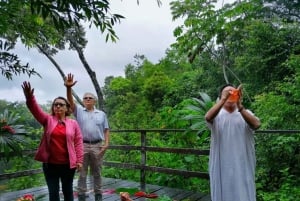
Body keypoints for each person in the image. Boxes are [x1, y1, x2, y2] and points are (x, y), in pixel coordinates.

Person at [21, 81, 83, 201]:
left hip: (68, 165)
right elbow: (35, 110)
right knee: (53, 194)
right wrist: (30, 97)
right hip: (50, 165)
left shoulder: (73, 123)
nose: (58, 106)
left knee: (68, 192)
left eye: (61, 104)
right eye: (55, 105)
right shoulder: (47, 120)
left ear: (67, 108)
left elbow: (78, 142)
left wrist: (79, 160)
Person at [205, 84, 261, 201]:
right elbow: (208, 117)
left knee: (244, 191)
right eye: (227, 93)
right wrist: (224, 99)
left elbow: (256, 125)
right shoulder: (217, 115)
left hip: (242, 164)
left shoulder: (246, 114)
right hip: (221, 164)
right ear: (220, 97)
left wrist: (240, 106)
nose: (230, 94)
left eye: (233, 92)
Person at [64, 74, 110, 201]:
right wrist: (69, 88)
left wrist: (106, 144)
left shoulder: (101, 114)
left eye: (90, 98)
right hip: (82, 145)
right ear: (83, 101)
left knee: (97, 171)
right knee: (82, 172)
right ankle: (81, 194)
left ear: (94, 101)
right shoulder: (78, 111)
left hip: (97, 145)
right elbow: (70, 101)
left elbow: (106, 130)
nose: (87, 99)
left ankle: (98, 194)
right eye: (85, 98)